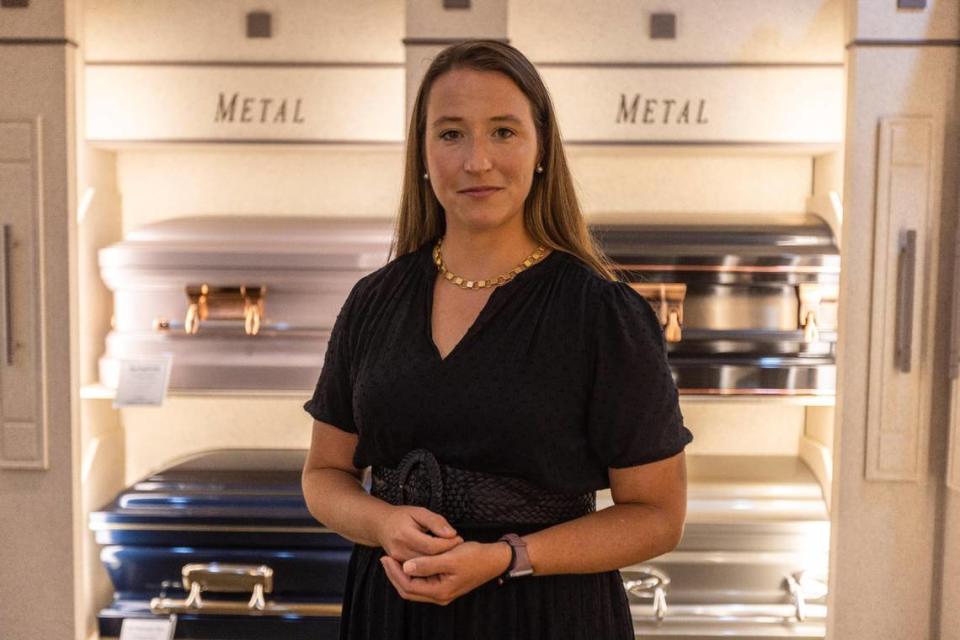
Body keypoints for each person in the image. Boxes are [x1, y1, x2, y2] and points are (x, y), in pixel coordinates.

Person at [301, 39, 693, 639]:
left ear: (541, 150)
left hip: (544, 615)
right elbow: (324, 474)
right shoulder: (373, 301)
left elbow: (658, 516)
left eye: (503, 132)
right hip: (392, 613)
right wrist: (380, 522)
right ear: (423, 154)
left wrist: (508, 557)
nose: (476, 160)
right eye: (451, 133)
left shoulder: (600, 313)